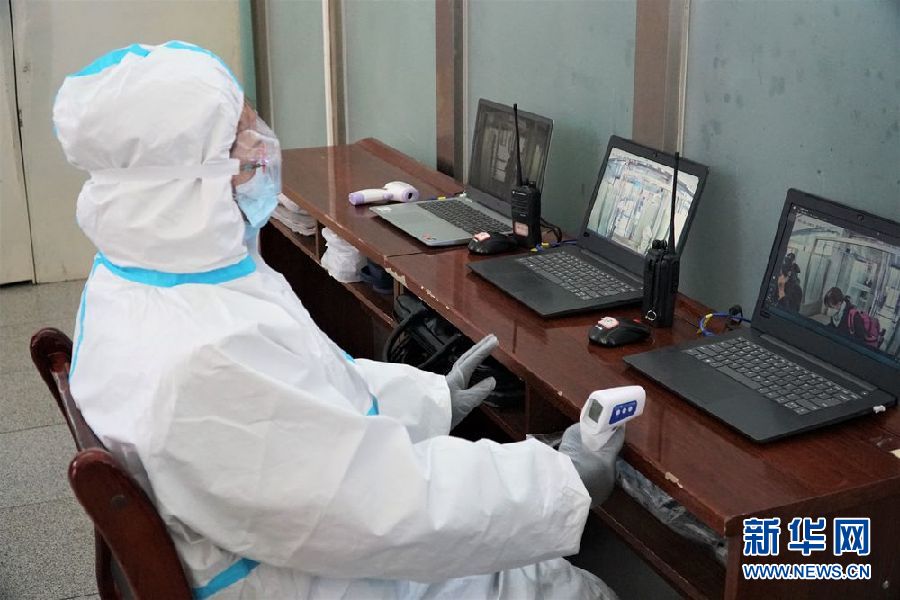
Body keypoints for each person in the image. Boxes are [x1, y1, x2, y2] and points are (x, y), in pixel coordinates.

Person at [53, 42, 624, 599]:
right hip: (299, 576)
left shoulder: (140, 282)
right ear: (180, 178)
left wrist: (432, 398)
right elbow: (385, 506)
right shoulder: (204, 354)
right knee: (559, 586)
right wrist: (560, 483)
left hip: (261, 544)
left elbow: (304, 390)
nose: (260, 146)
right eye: (236, 137)